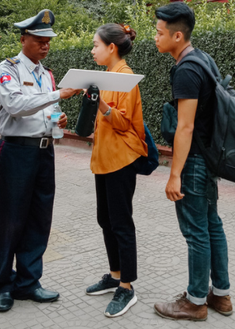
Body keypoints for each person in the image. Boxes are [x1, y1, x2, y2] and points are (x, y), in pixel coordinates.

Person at [0, 9, 81, 313]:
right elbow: (15, 105)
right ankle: (3, 284)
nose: (45, 45)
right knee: (10, 220)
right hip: (15, 151)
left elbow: (45, 113)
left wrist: (58, 121)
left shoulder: (47, 74)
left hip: (44, 151)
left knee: (39, 218)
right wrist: (57, 96)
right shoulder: (8, 69)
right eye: (39, 40)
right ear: (24, 38)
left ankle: (29, 281)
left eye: (48, 41)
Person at [152, 2, 232, 321]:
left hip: (195, 161)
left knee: (197, 231)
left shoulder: (186, 69)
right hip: (209, 157)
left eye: (159, 33)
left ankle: (196, 301)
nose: (155, 37)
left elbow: (184, 127)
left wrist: (174, 175)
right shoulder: (204, 59)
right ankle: (220, 296)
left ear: (178, 35)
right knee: (212, 226)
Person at [85, 23, 147, 317]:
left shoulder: (125, 78)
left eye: (96, 45)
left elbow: (123, 122)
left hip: (121, 160)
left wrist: (103, 108)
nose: (92, 50)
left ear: (112, 48)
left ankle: (127, 287)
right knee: (105, 218)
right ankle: (115, 274)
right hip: (104, 160)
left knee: (121, 222)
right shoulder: (106, 76)